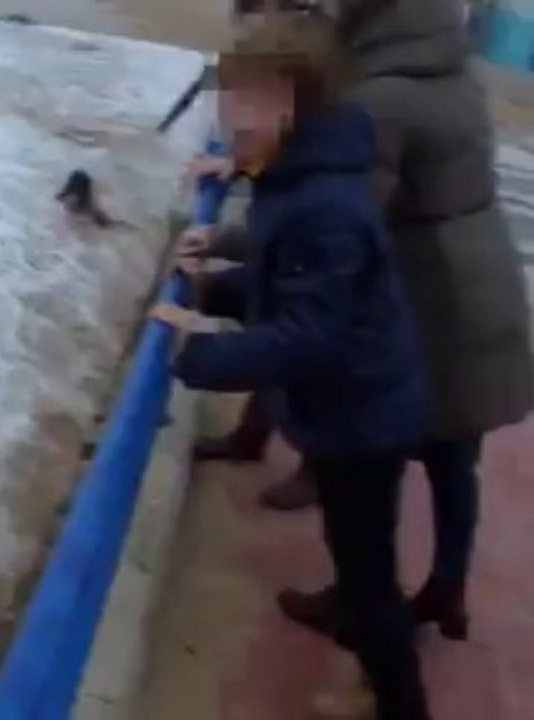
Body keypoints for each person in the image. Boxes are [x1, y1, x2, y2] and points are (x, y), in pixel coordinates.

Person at [186, 0, 534, 642]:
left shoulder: (383, 95)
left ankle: (361, 598)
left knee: (375, 445)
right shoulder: (448, 68)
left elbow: (328, 226)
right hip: (482, 285)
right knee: (454, 456)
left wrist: (227, 241)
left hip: (434, 296)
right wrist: (244, 164)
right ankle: (446, 589)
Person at [153, 12, 431, 719]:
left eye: (240, 101)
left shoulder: (323, 204)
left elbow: (307, 332)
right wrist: (212, 286)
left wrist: (198, 350)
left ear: (288, 99)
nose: (227, 118)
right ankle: (380, 662)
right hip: (355, 403)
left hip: (364, 416)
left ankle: (403, 704)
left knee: (368, 576)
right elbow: (285, 285)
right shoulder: (293, 172)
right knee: (359, 556)